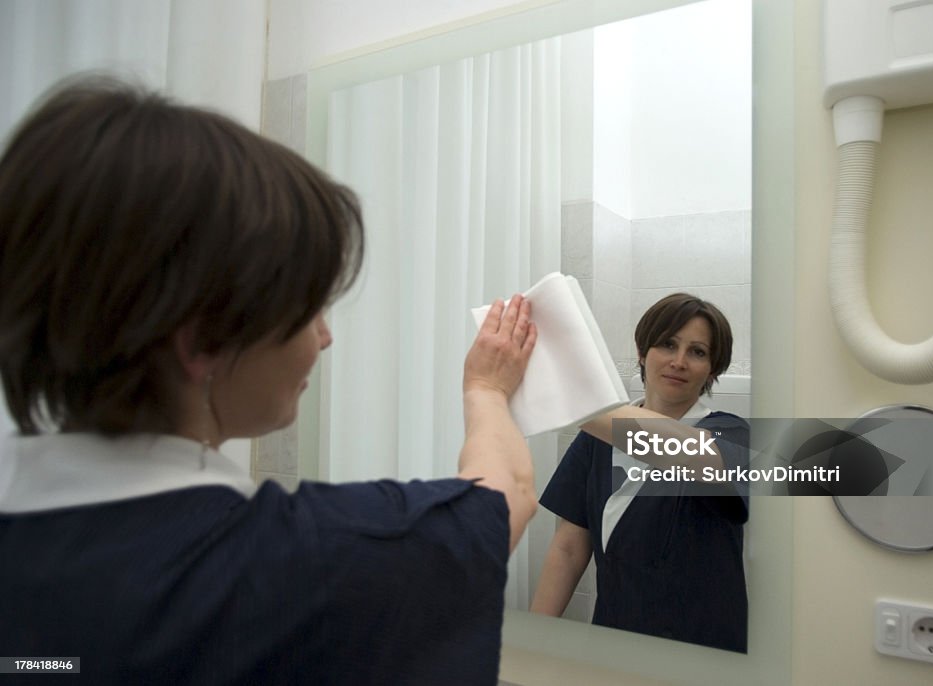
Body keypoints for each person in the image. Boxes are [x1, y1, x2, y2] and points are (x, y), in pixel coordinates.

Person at [0, 77, 538, 685]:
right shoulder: (308, 565)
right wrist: (487, 391)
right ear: (204, 341)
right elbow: (506, 495)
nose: (325, 338)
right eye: (310, 308)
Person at [529, 293, 749, 653]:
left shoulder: (730, 435)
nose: (679, 361)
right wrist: (534, 642)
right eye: (667, 344)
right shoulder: (597, 439)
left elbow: (692, 453)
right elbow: (569, 548)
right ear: (643, 352)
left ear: (712, 369)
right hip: (615, 639)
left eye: (697, 352)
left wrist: (566, 400)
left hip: (701, 651)